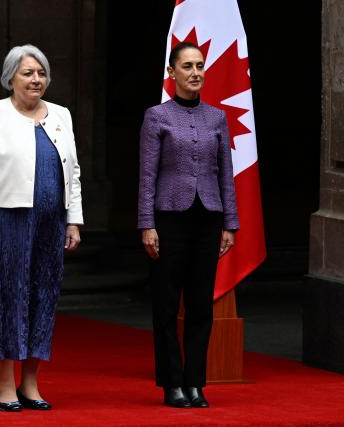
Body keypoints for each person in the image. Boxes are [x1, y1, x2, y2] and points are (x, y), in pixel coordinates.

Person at [0, 44, 83, 412]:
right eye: (28, 73)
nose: (36, 79)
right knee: (10, 296)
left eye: (41, 73)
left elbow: (73, 174)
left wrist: (74, 220)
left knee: (43, 297)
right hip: (8, 220)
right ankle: (5, 384)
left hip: (52, 221)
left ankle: (31, 383)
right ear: (10, 78)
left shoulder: (61, 114)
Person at [137, 41, 239, 409]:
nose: (195, 73)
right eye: (187, 66)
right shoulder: (156, 116)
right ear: (172, 72)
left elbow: (225, 173)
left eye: (199, 66)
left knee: (201, 306)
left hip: (208, 219)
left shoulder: (216, 117)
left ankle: (196, 382)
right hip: (169, 220)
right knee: (166, 305)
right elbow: (147, 175)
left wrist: (230, 222)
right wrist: (146, 224)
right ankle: (171, 383)